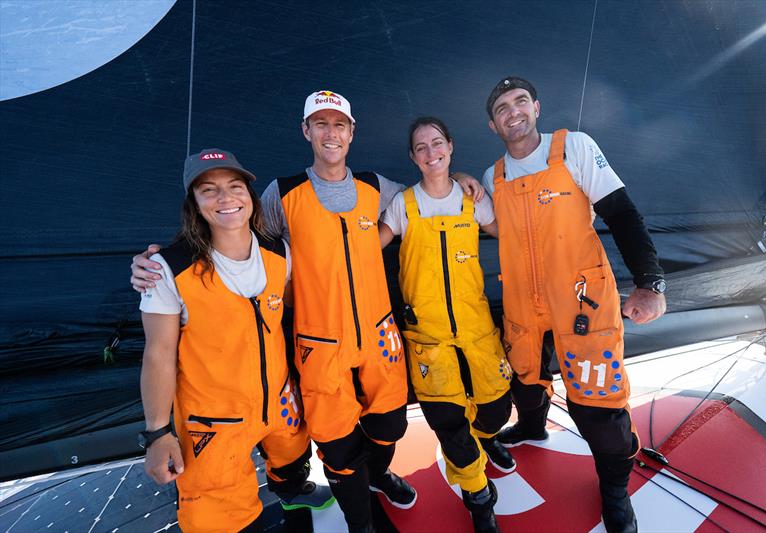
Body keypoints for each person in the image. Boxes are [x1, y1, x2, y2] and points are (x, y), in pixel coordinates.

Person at [131, 91, 485, 532]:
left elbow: (429, 188)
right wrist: (159, 262)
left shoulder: (378, 187)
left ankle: (377, 476)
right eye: (320, 123)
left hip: (379, 335)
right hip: (320, 342)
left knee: (390, 424)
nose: (330, 132)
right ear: (306, 131)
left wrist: (462, 174)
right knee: (338, 446)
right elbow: (230, 232)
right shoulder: (283, 193)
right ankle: (362, 522)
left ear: (352, 132)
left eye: (339, 124)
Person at [482, 77, 667, 533]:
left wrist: (650, 282)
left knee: (598, 407)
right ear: (493, 124)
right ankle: (532, 428)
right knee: (526, 381)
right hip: (525, 304)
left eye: (520, 101)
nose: (513, 112)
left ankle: (614, 490)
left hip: (583, 302)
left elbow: (622, 213)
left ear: (537, 107)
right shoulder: (493, 176)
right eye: (502, 107)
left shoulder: (574, 148)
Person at [138, 148, 333, 532]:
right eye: (209, 190)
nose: (226, 198)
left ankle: (292, 490)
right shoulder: (167, 268)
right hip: (214, 418)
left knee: (292, 455)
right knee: (221, 514)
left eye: (234, 186)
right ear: (194, 203)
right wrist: (157, 433)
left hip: (278, 400)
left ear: (249, 194)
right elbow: (157, 354)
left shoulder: (279, 254)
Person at [379, 117, 512, 533]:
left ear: (450, 147)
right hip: (429, 337)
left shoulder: (474, 199)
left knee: (496, 409)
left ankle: (486, 437)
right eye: (421, 147)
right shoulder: (404, 204)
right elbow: (362, 248)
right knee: (448, 424)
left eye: (437, 143)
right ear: (413, 157)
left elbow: (510, 232)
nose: (431, 152)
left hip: (477, 328)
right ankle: (479, 497)